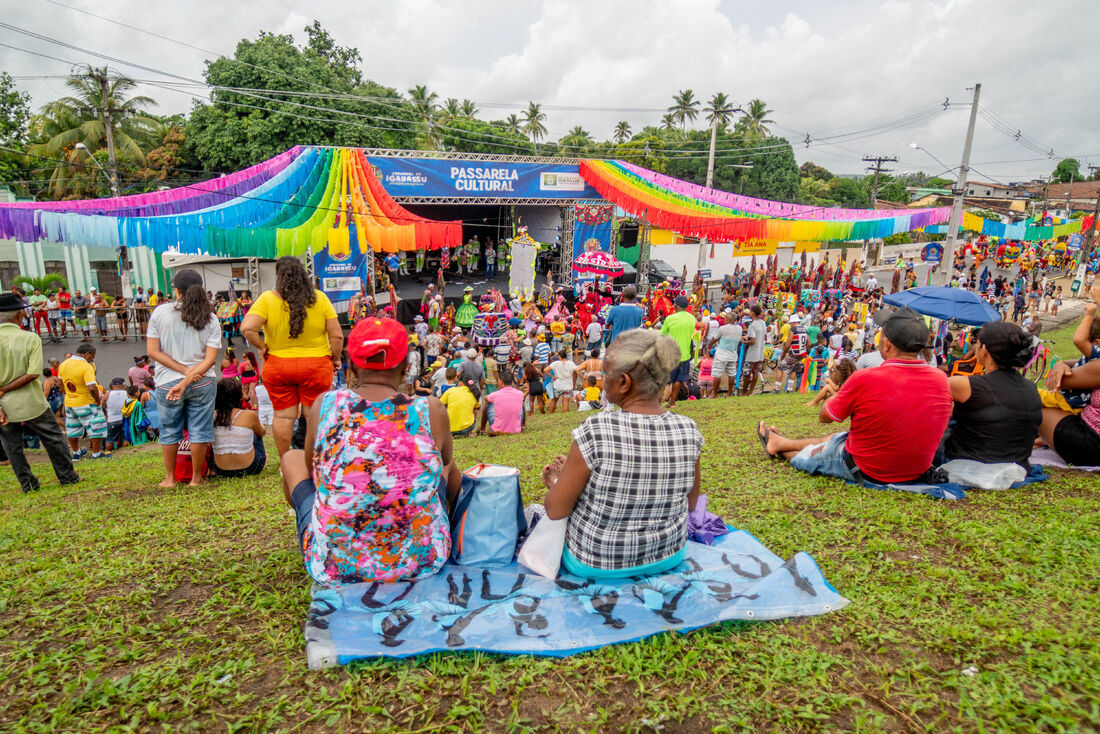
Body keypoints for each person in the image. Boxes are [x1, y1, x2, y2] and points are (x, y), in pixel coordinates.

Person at [278, 316, 460, 586]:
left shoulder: (324, 405)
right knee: (448, 465)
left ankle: (331, 528)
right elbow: (443, 462)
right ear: (407, 367)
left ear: (351, 366)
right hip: (420, 562)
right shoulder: (430, 409)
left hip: (336, 566)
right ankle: (449, 528)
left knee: (291, 459)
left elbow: (313, 471)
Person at [540, 329, 702, 577]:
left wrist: (557, 483)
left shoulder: (596, 430)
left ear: (624, 382)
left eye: (606, 374)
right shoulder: (689, 429)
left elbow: (555, 510)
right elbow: (691, 504)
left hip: (594, 561)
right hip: (669, 555)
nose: (603, 380)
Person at [758, 307, 953, 484]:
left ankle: (779, 446)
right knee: (838, 437)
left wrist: (839, 393)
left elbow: (825, 416)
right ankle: (780, 442)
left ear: (887, 345)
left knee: (814, 454)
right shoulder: (941, 379)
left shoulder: (867, 377)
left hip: (868, 469)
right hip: (915, 470)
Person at [240, 256, 343, 458]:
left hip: (278, 366)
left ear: (279, 276)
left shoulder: (267, 299)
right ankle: (315, 459)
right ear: (303, 274)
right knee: (314, 415)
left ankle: (286, 461)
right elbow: (337, 335)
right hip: (316, 366)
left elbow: (247, 328)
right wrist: (336, 358)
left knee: (283, 417)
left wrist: (262, 346)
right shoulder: (320, 298)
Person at [146, 269, 222, 488]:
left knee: (169, 429)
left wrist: (181, 373)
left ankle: (170, 479)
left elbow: (153, 351)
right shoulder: (211, 318)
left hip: (167, 381)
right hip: (203, 381)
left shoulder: (160, 313)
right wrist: (190, 374)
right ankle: (196, 478)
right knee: (200, 429)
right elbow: (210, 359)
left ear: (176, 290)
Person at [0, 292, 80, 492]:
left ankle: (28, 484)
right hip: (32, 402)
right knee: (54, 439)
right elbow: (33, 374)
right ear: (19, 316)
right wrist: (6, 388)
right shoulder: (30, 338)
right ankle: (67, 476)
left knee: (13, 446)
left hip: (4, 406)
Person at [943, 321, 1041, 467]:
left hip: (970, 463)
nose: (975, 346)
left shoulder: (967, 385)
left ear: (985, 351)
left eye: (978, 343)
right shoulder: (1030, 387)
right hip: (1018, 464)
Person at [1038, 355, 1100, 466]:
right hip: (1088, 427)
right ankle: (1042, 439)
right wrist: (1061, 364)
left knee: (1031, 403)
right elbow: (1082, 363)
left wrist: (1059, 368)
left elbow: (1059, 382)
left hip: (1092, 444)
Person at [59, 344, 111, 460]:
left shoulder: (63, 364)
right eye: (93, 356)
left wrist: (69, 395)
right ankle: (96, 454)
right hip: (86, 401)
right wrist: (97, 401)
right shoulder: (86, 366)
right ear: (87, 354)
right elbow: (92, 387)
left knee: (72, 428)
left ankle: (76, 453)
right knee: (95, 427)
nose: (93, 359)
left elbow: (60, 384)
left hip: (70, 402)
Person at [210, 378, 267, 478]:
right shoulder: (249, 415)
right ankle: (263, 456)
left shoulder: (212, 416)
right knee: (256, 431)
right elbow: (262, 432)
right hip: (251, 468)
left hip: (220, 470)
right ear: (240, 396)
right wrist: (260, 425)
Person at [660, 295, 696, 409]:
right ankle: (672, 402)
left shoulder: (670, 318)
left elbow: (662, 334)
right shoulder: (692, 318)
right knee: (678, 380)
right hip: (685, 354)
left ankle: (657, 402)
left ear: (676, 306)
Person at [478, 369, 525, 435]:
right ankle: (523, 425)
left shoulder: (495, 395)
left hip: (498, 429)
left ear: (501, 382)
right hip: (516, 429)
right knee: (521, 405)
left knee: (488, 404)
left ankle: (482, 428)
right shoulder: (520, 393)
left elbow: (486, 398)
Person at [710, 314, 742, 398]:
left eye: (726, 318)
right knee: (731, 374)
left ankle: (715, 394)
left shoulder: (723, 328)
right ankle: (729, 393)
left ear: (730, 319)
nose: (725, 319)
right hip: (733, 354)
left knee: (717, 374)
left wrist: (709, 345)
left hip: (722, 354)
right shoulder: (739, 328)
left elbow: (715, 338)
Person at [741, 305, 767, 396]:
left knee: (747, 372)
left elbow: (752, 341)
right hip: (760, 351)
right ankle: (750, 391)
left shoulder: (752, 325)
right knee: (755, 371)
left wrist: (744, 341)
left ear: (752, 313)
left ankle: (744, 391)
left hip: (752, 353)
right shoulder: (763, 323)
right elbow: (764, 336)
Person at [104, 378, 129, 452]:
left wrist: (106, 413)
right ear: (122, 384)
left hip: (112, 419)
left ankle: (108, 452)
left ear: (113, 385)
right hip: (124, 419)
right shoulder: (126, 393)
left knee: (110, 439)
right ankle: (126, 452)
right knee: (125, 438)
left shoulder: (108, 394)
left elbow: (103, 404)